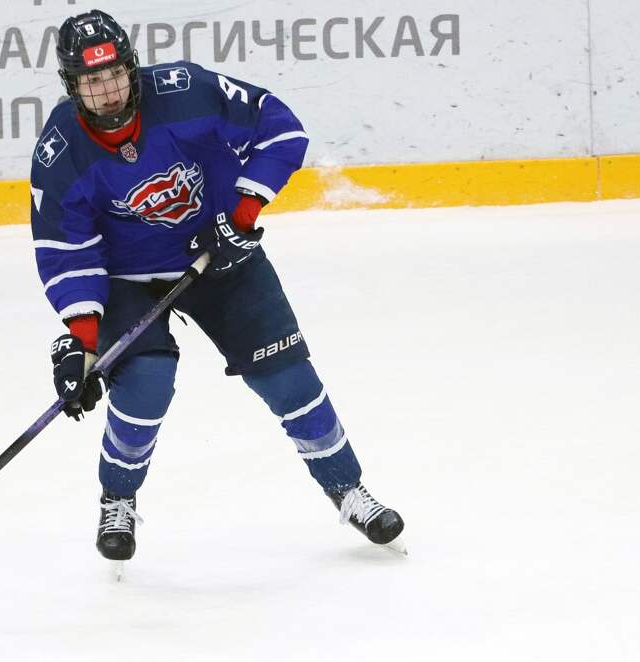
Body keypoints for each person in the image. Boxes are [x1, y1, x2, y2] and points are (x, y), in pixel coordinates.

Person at [30, 9, 405, 563]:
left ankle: (348, 489)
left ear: (132, 67)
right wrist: (83, 343)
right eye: (91, 81)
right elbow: (68, 250)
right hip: (127, 279)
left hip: (220, 252)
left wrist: (242, 215)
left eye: (114, 74)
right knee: (146, 381)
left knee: (287, 376)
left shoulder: (187, 91)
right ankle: (119, 498)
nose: (107, 91)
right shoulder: (61, 150)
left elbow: (281, 127)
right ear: (71, 85)